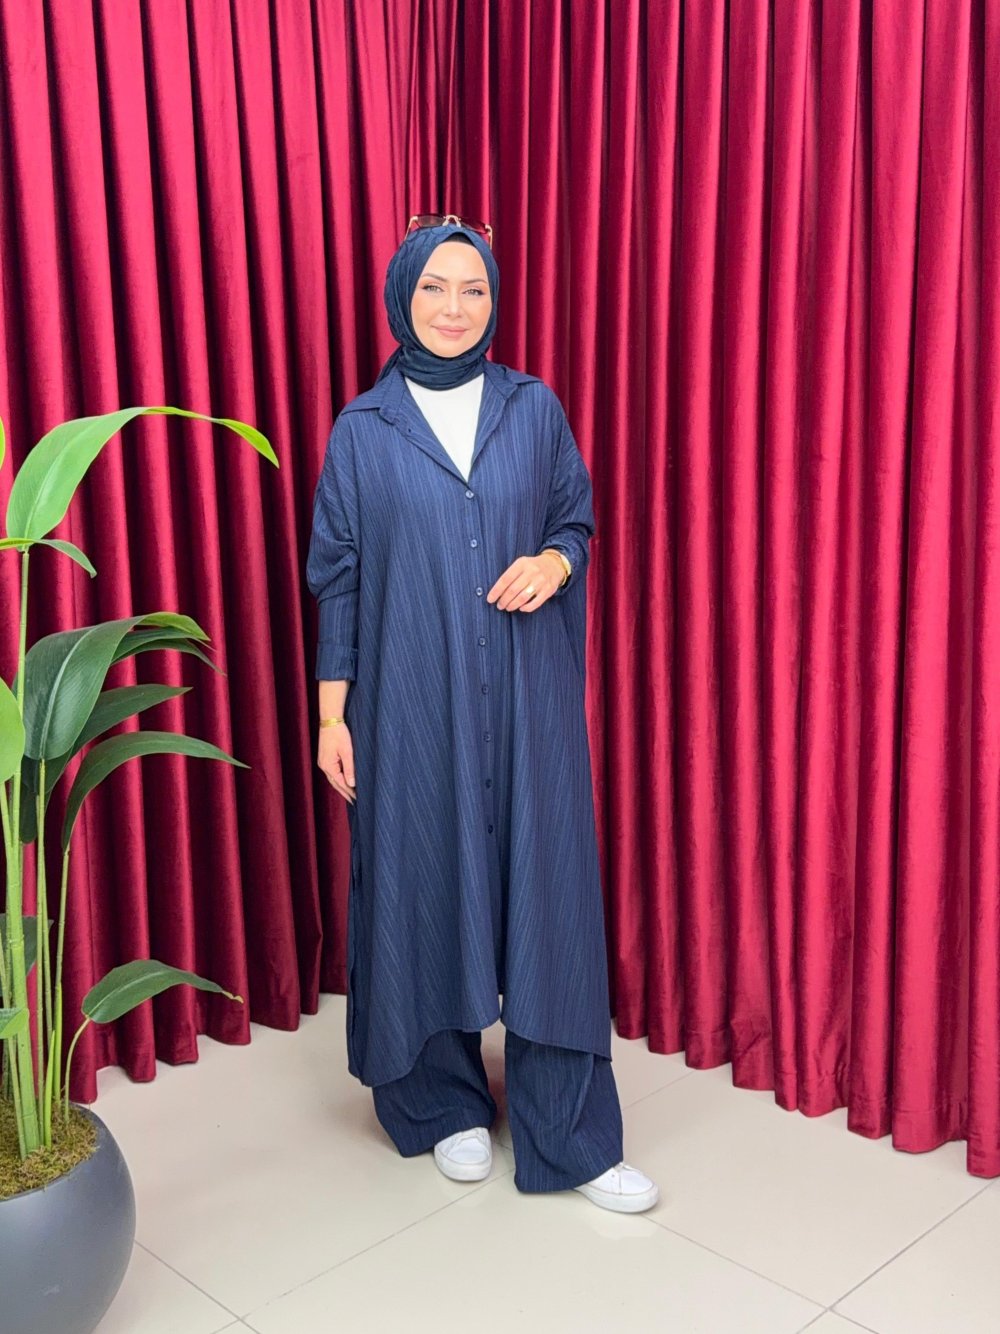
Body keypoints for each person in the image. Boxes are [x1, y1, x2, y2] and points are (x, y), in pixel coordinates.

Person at [306, 214, 659, 1212]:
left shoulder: (532, 408)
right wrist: (332, 717)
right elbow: (339, 578)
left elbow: (574, 520)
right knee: (421, 883)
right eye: (434, 287)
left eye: (473, 289)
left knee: (549, 897)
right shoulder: (363, 430)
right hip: (411, 705)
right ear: (401, 297)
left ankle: (571, 1134)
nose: (454, 308)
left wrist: (554, 563)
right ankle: (441, 1103)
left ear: (494, 299)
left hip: (529, 701)